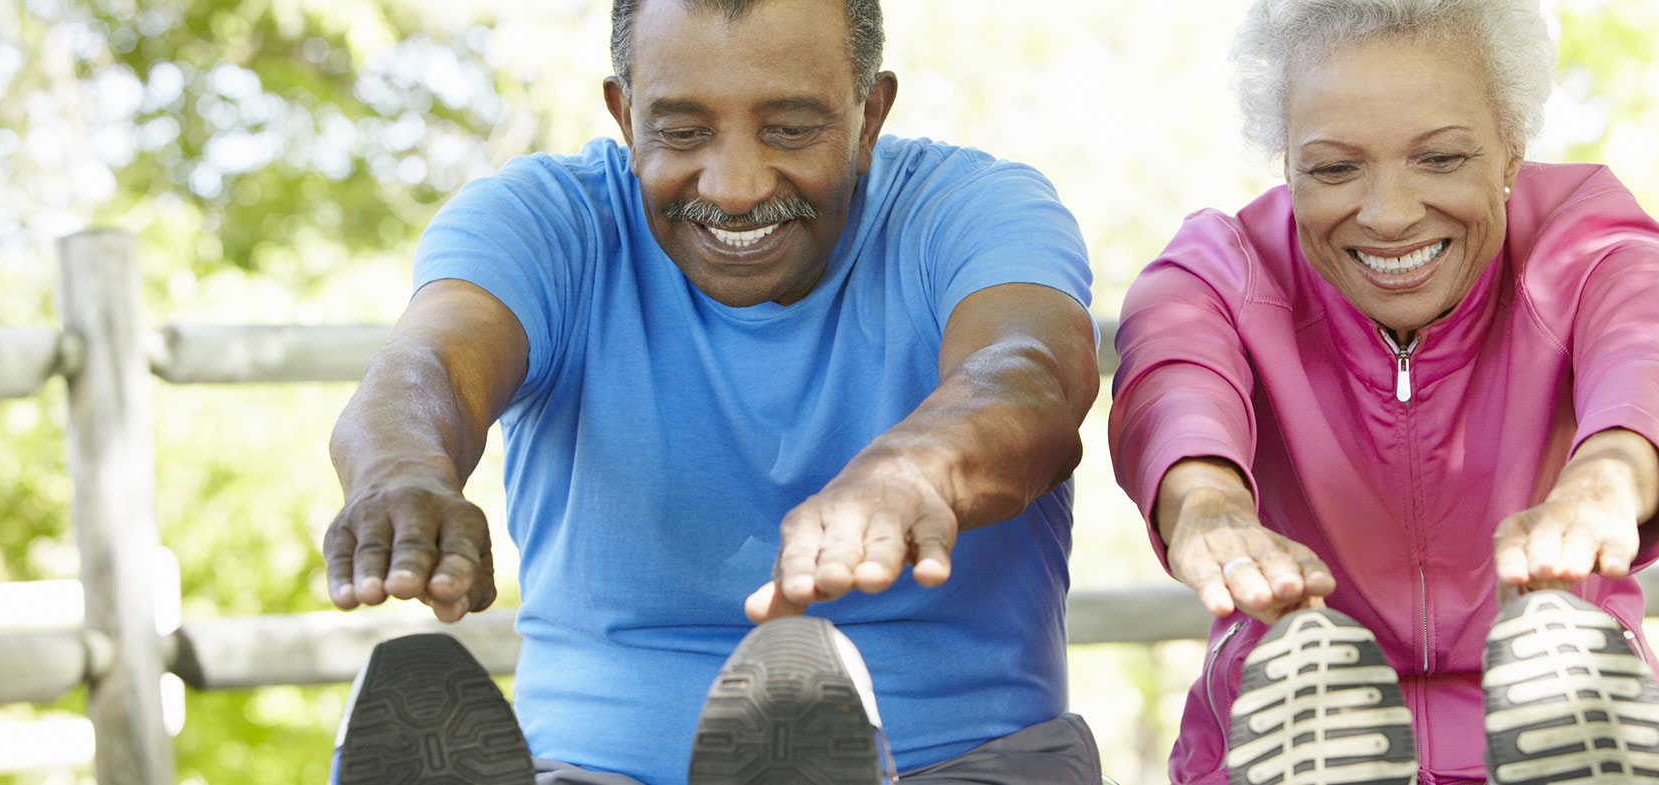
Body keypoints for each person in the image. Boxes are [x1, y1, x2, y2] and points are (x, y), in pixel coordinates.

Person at [319, 0, 1104, 782]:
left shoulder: (976, 209)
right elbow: (429, 364)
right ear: (626, 118)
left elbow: (1029, 374)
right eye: (683, 132)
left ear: (870, 115)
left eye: (790, 129)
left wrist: (916, 469)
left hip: (960, 761)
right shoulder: (544, 221)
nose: (734, 187)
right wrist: (402, 470)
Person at [1107, 1, 1659, 783]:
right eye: (1334, 167)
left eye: (1440, 159)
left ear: (1511, 147)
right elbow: (1172, 379)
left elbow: (1652, 349)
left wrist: (1608, 477)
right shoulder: (1220, 273)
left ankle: (1562, 708)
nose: (1390, 214)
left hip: (1557, 734)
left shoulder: (1588, 243)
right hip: (1285, 740)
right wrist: (1203, 502)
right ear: (1286, 161)